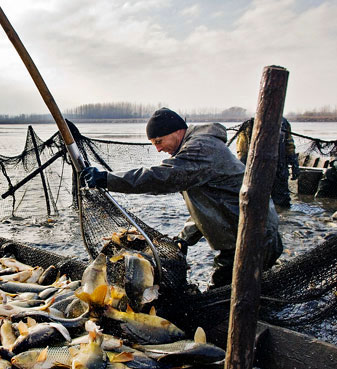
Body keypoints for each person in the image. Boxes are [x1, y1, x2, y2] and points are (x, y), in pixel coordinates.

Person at [82, 107, 283, 289]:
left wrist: (108, 179)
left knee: (228, 297)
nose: (158, 149)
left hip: (254, 236)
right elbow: (208, 205)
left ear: (177, 131)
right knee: (236, 291)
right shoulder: (195, 148)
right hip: (243, 233)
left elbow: (163, 178)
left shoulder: (201, 148)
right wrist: (184, 239)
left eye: (159, 142)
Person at [236, 117, 300, 208]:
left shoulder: (283, 123)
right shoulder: (249, 124)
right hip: (257, 170)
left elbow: (289, 145)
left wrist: (294, 163)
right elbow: (242, 150)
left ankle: (281, 219)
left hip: (278, 169)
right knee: (256, 201)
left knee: (281, 201)